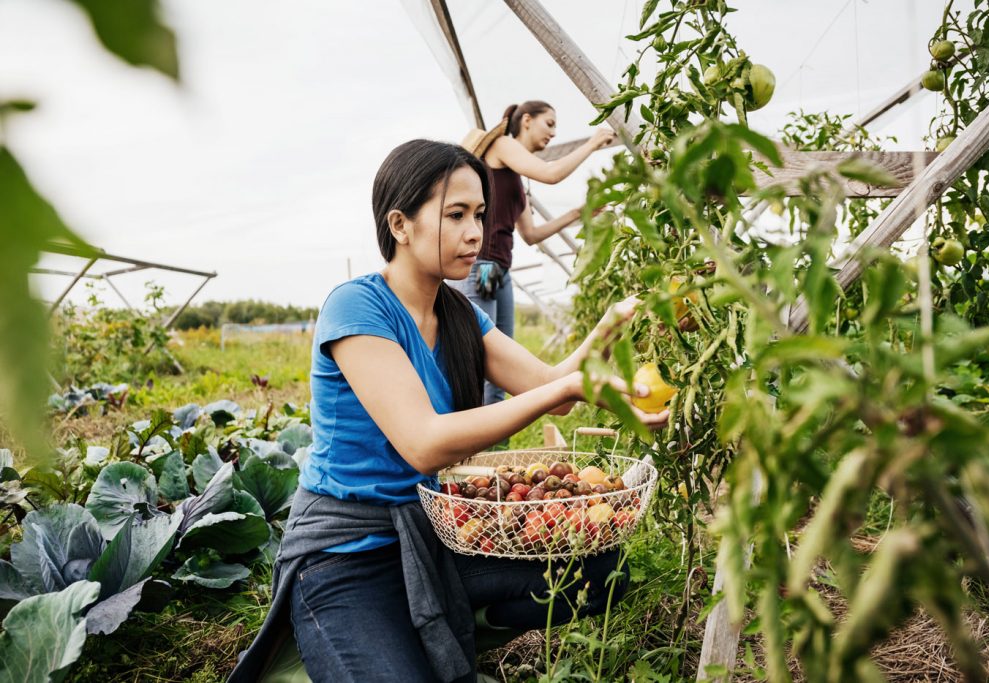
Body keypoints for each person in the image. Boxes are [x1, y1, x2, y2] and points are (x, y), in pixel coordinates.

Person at [229, 139, 665, 683]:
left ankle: (445, 629)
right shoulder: (357, 306)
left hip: (436, 539)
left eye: (480, 214)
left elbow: (549, 382)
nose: (475, 232)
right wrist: (568, 388)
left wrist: (610, 327)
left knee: (603, 570)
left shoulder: (459, 315)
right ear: (400, 224)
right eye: (456, 214)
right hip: (346, 557)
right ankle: (362, 642)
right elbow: (425, 441)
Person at [454, 101, 616, 405]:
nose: (553, 133)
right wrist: (592, 143)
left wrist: (577, 213)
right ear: (526, 120)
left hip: (500, 271)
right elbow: (551, 173)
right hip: (483, 266)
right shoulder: (502, 145)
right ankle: (471, 438)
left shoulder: (516, 177)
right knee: (483, 357)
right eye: (549, 124)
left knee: (504, 360)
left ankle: (496, 445)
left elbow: (531, 235)